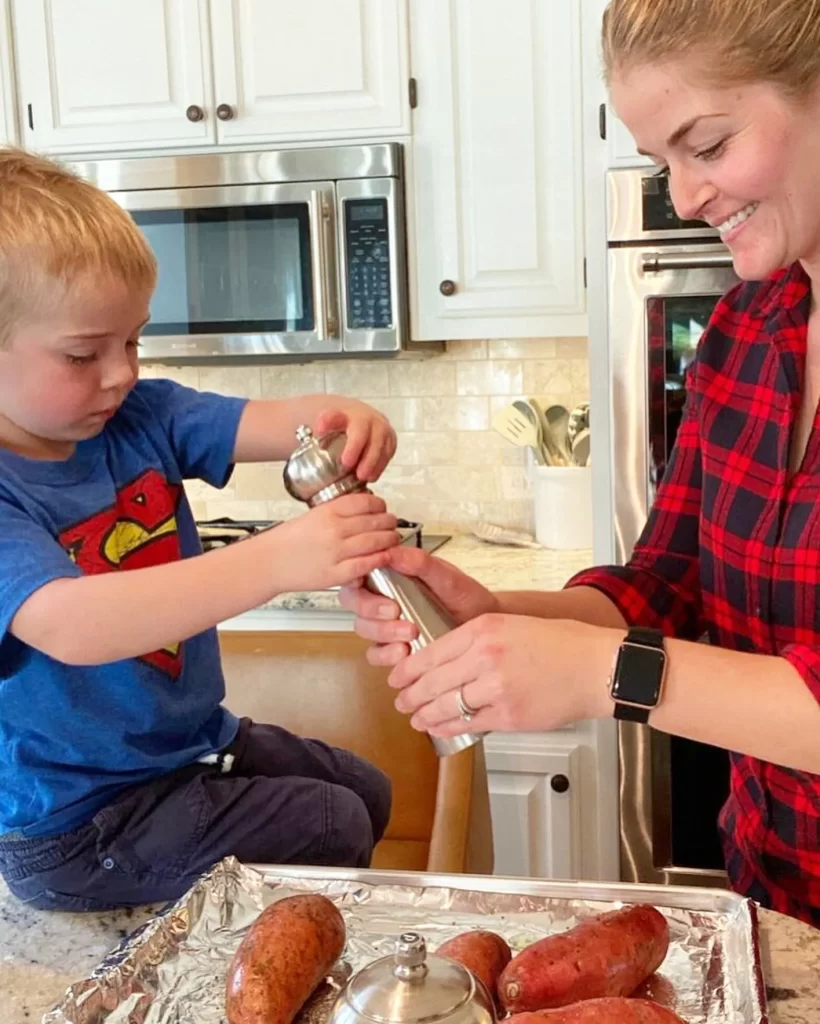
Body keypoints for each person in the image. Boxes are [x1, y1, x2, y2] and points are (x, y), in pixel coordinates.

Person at [341, 0, 820, 926]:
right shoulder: (744, 332)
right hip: (772, 900)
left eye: (708, 146)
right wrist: (504, 616)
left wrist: (603, 671)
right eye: (663, 163)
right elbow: (672, 585)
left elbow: (630, 658)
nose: (684, 198)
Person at [0, 148, 401, 911]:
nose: (121, 372)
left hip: (183, 753)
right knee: (331, 821)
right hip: (77, 827)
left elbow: (276, 424)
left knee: (363, 788)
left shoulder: (140, 416)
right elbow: (71, 624)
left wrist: (341, 418)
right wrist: (277, 560)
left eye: (133, 342)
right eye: (85, 353)